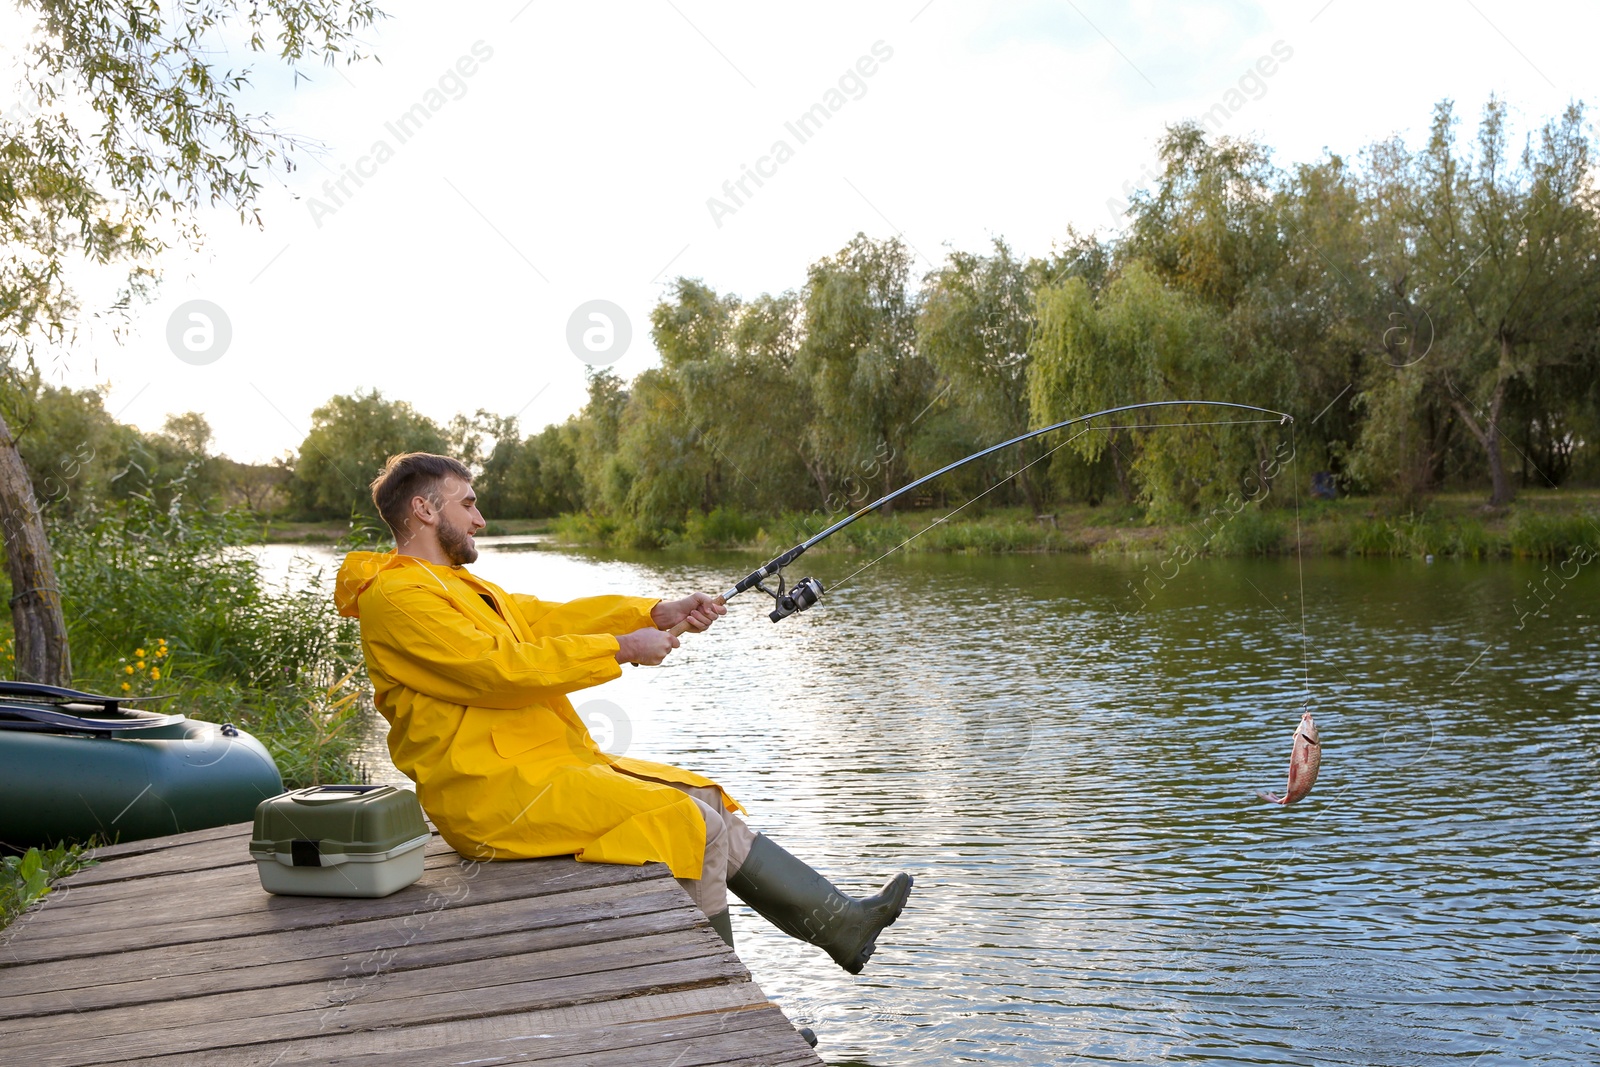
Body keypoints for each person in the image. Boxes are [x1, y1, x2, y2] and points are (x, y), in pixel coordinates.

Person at [334, 452, 912, 975]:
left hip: (538, 771)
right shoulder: (397, 598)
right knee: (687, 823)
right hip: (487, 795)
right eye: (468, 503)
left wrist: (655, 612)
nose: (479, 519)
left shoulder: (460, 586)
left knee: (704, 798)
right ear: (423, 510)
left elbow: (552, 619)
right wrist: (621, 649)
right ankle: (716, 1005)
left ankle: (841, 924)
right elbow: (498, 670)